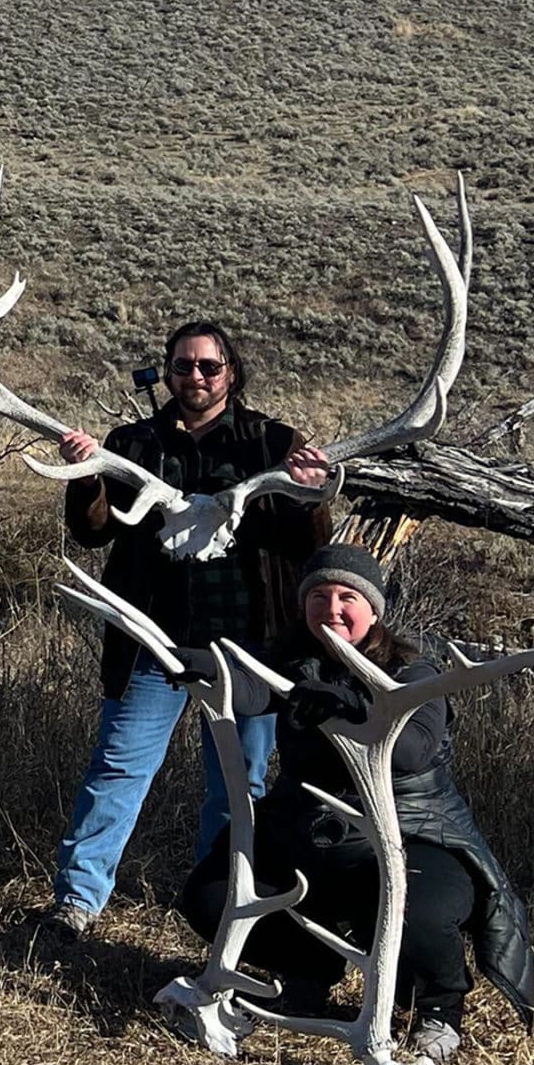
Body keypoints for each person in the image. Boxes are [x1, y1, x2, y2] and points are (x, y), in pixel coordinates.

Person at [175, 545, 534, 1063]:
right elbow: (254, 684)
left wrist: (352, 707)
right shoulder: (295, 660)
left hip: (411, 835)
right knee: (210, 896)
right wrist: (209, 666)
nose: (332, 607)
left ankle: (438, 1006)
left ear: (373, 610)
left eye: (348, 596)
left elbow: (412, 752)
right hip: (308, 834)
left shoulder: (414, 673)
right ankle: (309, 971)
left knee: (415, 911)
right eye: (319, 595)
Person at [46, 321, 330, 934]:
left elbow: (307, 543)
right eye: (182, 367)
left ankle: (224, 905)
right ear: (168, 371)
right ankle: (78, 899)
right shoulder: (133, 443)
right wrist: (90, 474)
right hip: (153, 639)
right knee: (119, 767)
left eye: (208, 367)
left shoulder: (272, 443)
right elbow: (95, 531)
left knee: (239, 781)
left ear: (231, 371)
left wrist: (310, 495)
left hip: (248, 646)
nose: (194, 378)